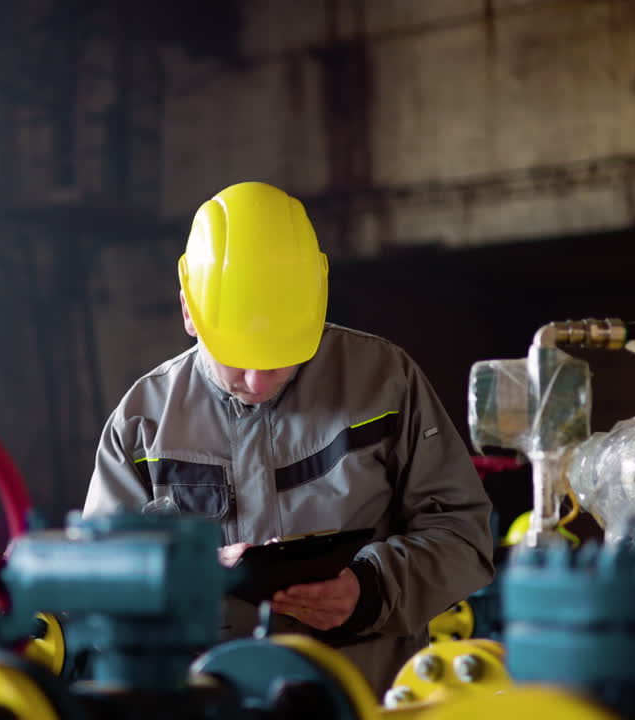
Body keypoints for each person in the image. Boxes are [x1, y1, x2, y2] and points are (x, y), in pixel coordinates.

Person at [83, 181, 494, 696]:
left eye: (280, 357)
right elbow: (95, 585)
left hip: (367, 700)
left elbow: (464, 535)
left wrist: (371, 592)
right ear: (190, 310)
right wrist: (192, 576)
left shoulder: (385, 381)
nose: (258, 382)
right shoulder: (141, 423)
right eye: (239, 357)